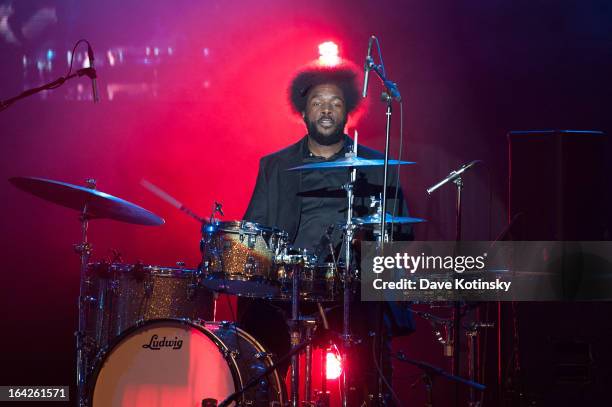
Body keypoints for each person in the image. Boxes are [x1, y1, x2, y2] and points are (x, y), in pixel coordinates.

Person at [239, 61, 415, 405]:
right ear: (303, 112)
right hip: (286, 288)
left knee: (372, 343)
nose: (326, 110)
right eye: (318, 102)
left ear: (347, 112)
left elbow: (400, 234)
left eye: (335, 103)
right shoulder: (274, 165)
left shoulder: (377, 167)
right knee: (255, 338)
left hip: (351, 288)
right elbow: (254, 231)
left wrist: (375, 243)